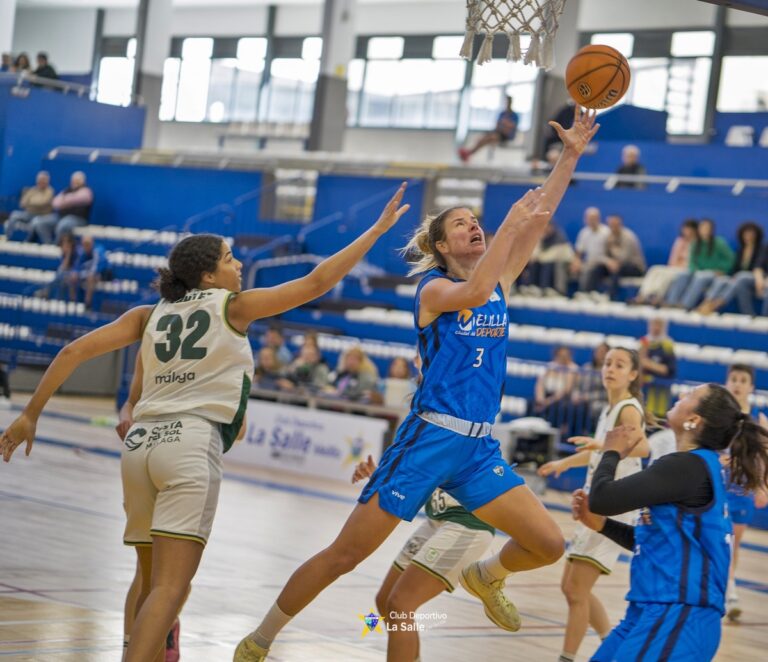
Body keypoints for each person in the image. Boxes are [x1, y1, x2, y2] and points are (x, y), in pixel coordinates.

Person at [233, 106, 599, 662]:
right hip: (430, 438)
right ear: (442, 247)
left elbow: (539, 216)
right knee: (349, 560)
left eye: (476, 220)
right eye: (461, 224)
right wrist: (509, 226)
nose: (474, 225)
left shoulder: (499, 278)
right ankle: (261, 638)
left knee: (548, 544)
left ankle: (486, 576)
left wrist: (568, 157)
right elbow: (474, 292)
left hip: (477, 448)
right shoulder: (433, 289)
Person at [0, 183, 411, 662]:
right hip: (189, 443)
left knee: (148, 580)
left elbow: (73, 351)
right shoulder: (233, 307)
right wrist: (376, 231)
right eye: (230, 259)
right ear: (209, 276)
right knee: (171, 588)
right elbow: (316, 283)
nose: (239, 265)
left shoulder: (148, 314)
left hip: (140, 446)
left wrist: (30, 413)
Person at [572, 383, 768, 661]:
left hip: (680, 614)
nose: (681, 395)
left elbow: (601, 498)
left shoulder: (688, 466)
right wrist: (602, 525)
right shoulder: (695, 466)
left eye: (691, 395)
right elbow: (654, 542)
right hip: (652, 610)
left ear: (694, 420)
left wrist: (611, 451)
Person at [538, 347, 650, 662]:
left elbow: (643, 447)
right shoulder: (608, 409)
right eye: (607, 363)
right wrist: (564, 463)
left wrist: (602, 444)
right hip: (596, 503)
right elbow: (599, 451)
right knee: (571, 588)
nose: (610, 369)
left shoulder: (628, 408)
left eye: (619, 365)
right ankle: (611, 646)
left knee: (576, 590)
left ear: (633, 374)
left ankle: (568, 657)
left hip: (615, 507)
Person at [352, 455, 494, 661]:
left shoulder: (458, 438)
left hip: (466, 523)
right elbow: (415, 477)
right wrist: (380, 475)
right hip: (437, 518)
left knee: (400, 604)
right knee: (385, 599)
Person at [115, 354, 184, 662]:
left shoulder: (218, 351)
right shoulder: (152, 340)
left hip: (183, 461)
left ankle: (163, 627)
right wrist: (126, 417)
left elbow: (240, 429)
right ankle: (133, 648)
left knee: (170, 577)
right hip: (146, 456)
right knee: (148, 573)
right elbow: (130, 402)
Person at [722, 363, 768, 621]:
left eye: (743, 380)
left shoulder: (759, 420)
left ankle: (729, 588)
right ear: (727, 383)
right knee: (717, 538)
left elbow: (765, 458)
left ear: (751, 387)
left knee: (733, 543)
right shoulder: (720, 416)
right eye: (734, 379)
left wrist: (763, 487)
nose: (737, 384)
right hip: (718, 486)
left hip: (742, 489)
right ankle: (728, 591)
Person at [663, 218, 734, 310]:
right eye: (703, 228)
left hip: (714, 272)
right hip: (699, 271)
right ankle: (671, 301)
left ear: (712, 230)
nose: (705, 231)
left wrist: (722, 270)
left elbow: (730, 259)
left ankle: (686, 304)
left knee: (701, 276)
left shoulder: (719, 243)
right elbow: (692, 262)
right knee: (684, 274)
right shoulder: (695, 243)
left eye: (707, 228)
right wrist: (694, 270)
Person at [695, 221, 764, 316]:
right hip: (739, 279)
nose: (748, 237)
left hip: (756, 278)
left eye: (751, 234)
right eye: (746, 234)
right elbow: (735, 269)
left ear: (756, 235)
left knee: (741, 277)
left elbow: (759, 267)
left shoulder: (762, 249)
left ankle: (717, 304)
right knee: (723, 280)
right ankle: (707, 302)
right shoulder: (740, 250)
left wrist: (759, 280)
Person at [632, 219, 698, 306]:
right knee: (654, 269)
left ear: (694, 230)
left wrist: (681, 264)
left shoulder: (698, 243)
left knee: (667, 276)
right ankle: (642, 295)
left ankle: (657, 297)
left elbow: (693, 262)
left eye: (689, 229)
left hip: (686, 270)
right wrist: (674, 265)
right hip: (674, 267)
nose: (686, 232)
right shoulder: (679, 241)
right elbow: (673, 259)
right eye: (685, 229)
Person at [583, 214, 646, 299]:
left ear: (620, 224)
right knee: (597, 268)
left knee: (617, 269)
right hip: (615, 265)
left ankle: (609, 296)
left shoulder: (628, 237)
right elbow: (602, 255)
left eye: (615, 225)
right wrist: (608, 262)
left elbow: (624, 258)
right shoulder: (608, 236)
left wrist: (613, 249)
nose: (613, 227)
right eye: (611, 225)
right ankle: (588, 293)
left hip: (635, 267)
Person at [29, 171, 94, 244]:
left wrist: (65, 200)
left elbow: (80, 199)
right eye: (73, 180)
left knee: (63, 224)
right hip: (61, 216)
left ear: (83, 181)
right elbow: (55, 203)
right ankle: (48, 244)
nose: (75, 182)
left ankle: (57, 245)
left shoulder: (86, 191)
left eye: (77, 181)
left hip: (78, 219)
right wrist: (69, 200)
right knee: (39, 222)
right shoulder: (67, 190)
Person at [458, 95, 519, 163]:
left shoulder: (514, 115)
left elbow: (511, 127)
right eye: (506, 102)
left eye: (508, 102)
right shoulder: (502, 114)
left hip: (506, 136)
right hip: (498, 133)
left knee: (491, 137)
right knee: (482, 138)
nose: (507, 104)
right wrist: (505, 125)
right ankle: (469, 152)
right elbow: (498, 125)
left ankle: (469, 153)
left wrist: (504, 124)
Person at [531, 345, 578, 430]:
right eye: (561, 355)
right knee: (531, 403)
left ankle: (551, 431)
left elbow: (566, 390)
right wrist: (540, 399)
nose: (563, 358)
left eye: (566, 355)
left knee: (555, 408)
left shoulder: (572, 368)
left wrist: (548, 402)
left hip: (561, 398)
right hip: (547, 395)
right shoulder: (550, 365)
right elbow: (540, 384)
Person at [638, 317, 677, 420]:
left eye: (659, 325)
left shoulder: (667, 344)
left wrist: (647, 363)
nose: (656, 328)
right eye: (654, 324)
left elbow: (669, 370)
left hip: (660, 393)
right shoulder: (644, 342)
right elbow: (638, 364)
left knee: (658, 419)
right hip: (644, 390)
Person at [522, 221, 575, 296]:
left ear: (552, 227)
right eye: (544, 228)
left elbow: (552, 256)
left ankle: (549, 289)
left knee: (547, 264)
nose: (545, 229)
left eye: (547, 227)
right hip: (545, 261)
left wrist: (539, 257)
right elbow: (536, 252)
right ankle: (532, 287)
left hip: (560, 262)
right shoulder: (542, 237)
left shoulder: (560, 238)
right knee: (535, 263)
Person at [4, 171, 55, 241]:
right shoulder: (32, 190)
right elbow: (22, 203)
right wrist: (33, 202)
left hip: (42, 215)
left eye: (43, 180)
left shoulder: (49, 191)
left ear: (47, 181)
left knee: (36, 222)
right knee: (14, 215)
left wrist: (30, 202)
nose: (41, 182)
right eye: (39, 180)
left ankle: (27, 242)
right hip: (28, 213)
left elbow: (42, 203)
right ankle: (8, 237)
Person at [570, 207, 610, 294]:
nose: (591, 221)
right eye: (589, 219)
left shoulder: (607, 232)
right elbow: (578, 252)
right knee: (577, 266)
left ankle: (585, 292)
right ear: (585, 219)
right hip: (589, 262)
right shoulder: (584, 232)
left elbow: (611, 253)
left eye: (593, 218)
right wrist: (576, 262)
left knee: (590, 269)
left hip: (603, 263)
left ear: (598, 219)